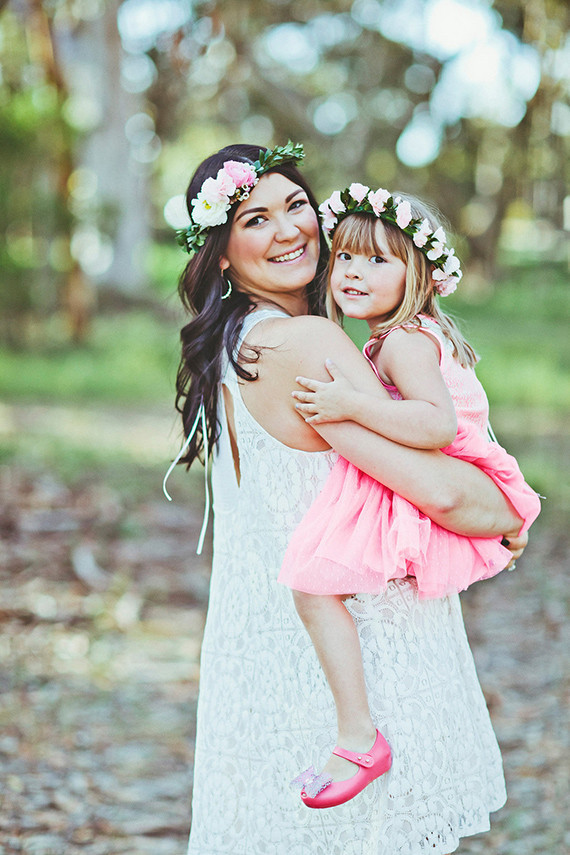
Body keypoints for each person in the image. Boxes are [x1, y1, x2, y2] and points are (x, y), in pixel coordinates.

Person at [167, 142, 527, 855]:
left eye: (296, 205)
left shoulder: (238, 342)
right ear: (222, 256)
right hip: (362, 661)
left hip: (272, 654)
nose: (288, 230)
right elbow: (445, 494)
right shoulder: (308, 344)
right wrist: (510, 519)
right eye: (255, 220)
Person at [279, 185, 541, 808]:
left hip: (445, 467)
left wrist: (350, 404)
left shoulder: (403, 341)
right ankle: (362, 731)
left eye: (378, 260)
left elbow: (436, 425)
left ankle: (358, 736)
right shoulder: (396, 337)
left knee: (311, 585)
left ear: (416, 274)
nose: (354, 272)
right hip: (436, 471)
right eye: (345, 257)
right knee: (316, 585)